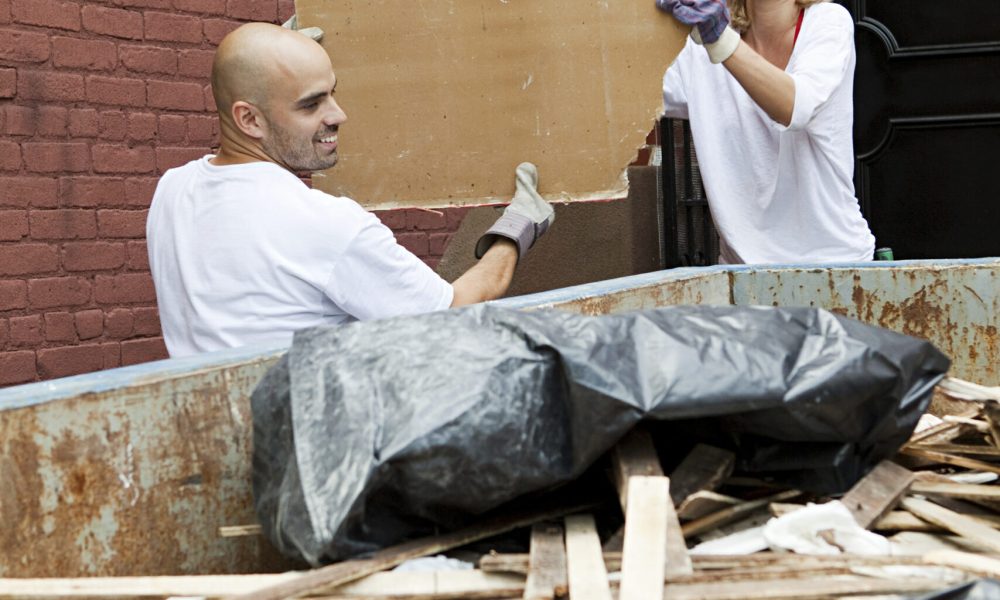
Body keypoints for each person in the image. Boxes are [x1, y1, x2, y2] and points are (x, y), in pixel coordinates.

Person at [146, 23, 554, 358]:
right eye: (311, 104)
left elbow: (235, 157)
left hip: (208, 425)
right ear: (249, 120)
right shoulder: (326, 224)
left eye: (332, 92)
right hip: (309, 432)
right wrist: (517, 229)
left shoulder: (172, 191)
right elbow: (452, 311)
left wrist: (283, 65)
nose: (338, 115)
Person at [656, 0, 875, 264]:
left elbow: (794, 105)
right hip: (740, 272)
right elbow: (632, 94)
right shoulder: (700, 49)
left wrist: (720, 41)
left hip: (834, 265)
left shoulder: (828, 22)